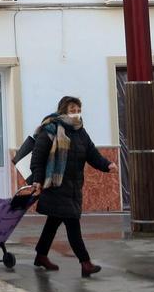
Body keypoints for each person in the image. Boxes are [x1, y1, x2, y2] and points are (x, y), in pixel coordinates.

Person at [27, 95, 112, 278]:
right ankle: (85, 263)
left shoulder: (80, 131)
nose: (75, 113)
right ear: (63, 111)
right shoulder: (51, 129)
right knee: (72, 224)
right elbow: (38, 158)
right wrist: (37, 179)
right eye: (71, 110)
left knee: (53, 222)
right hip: (56, 185)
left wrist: (106, 165)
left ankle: (41, 255)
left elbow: (91, 153)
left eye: (77, 110)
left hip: (73, 186)